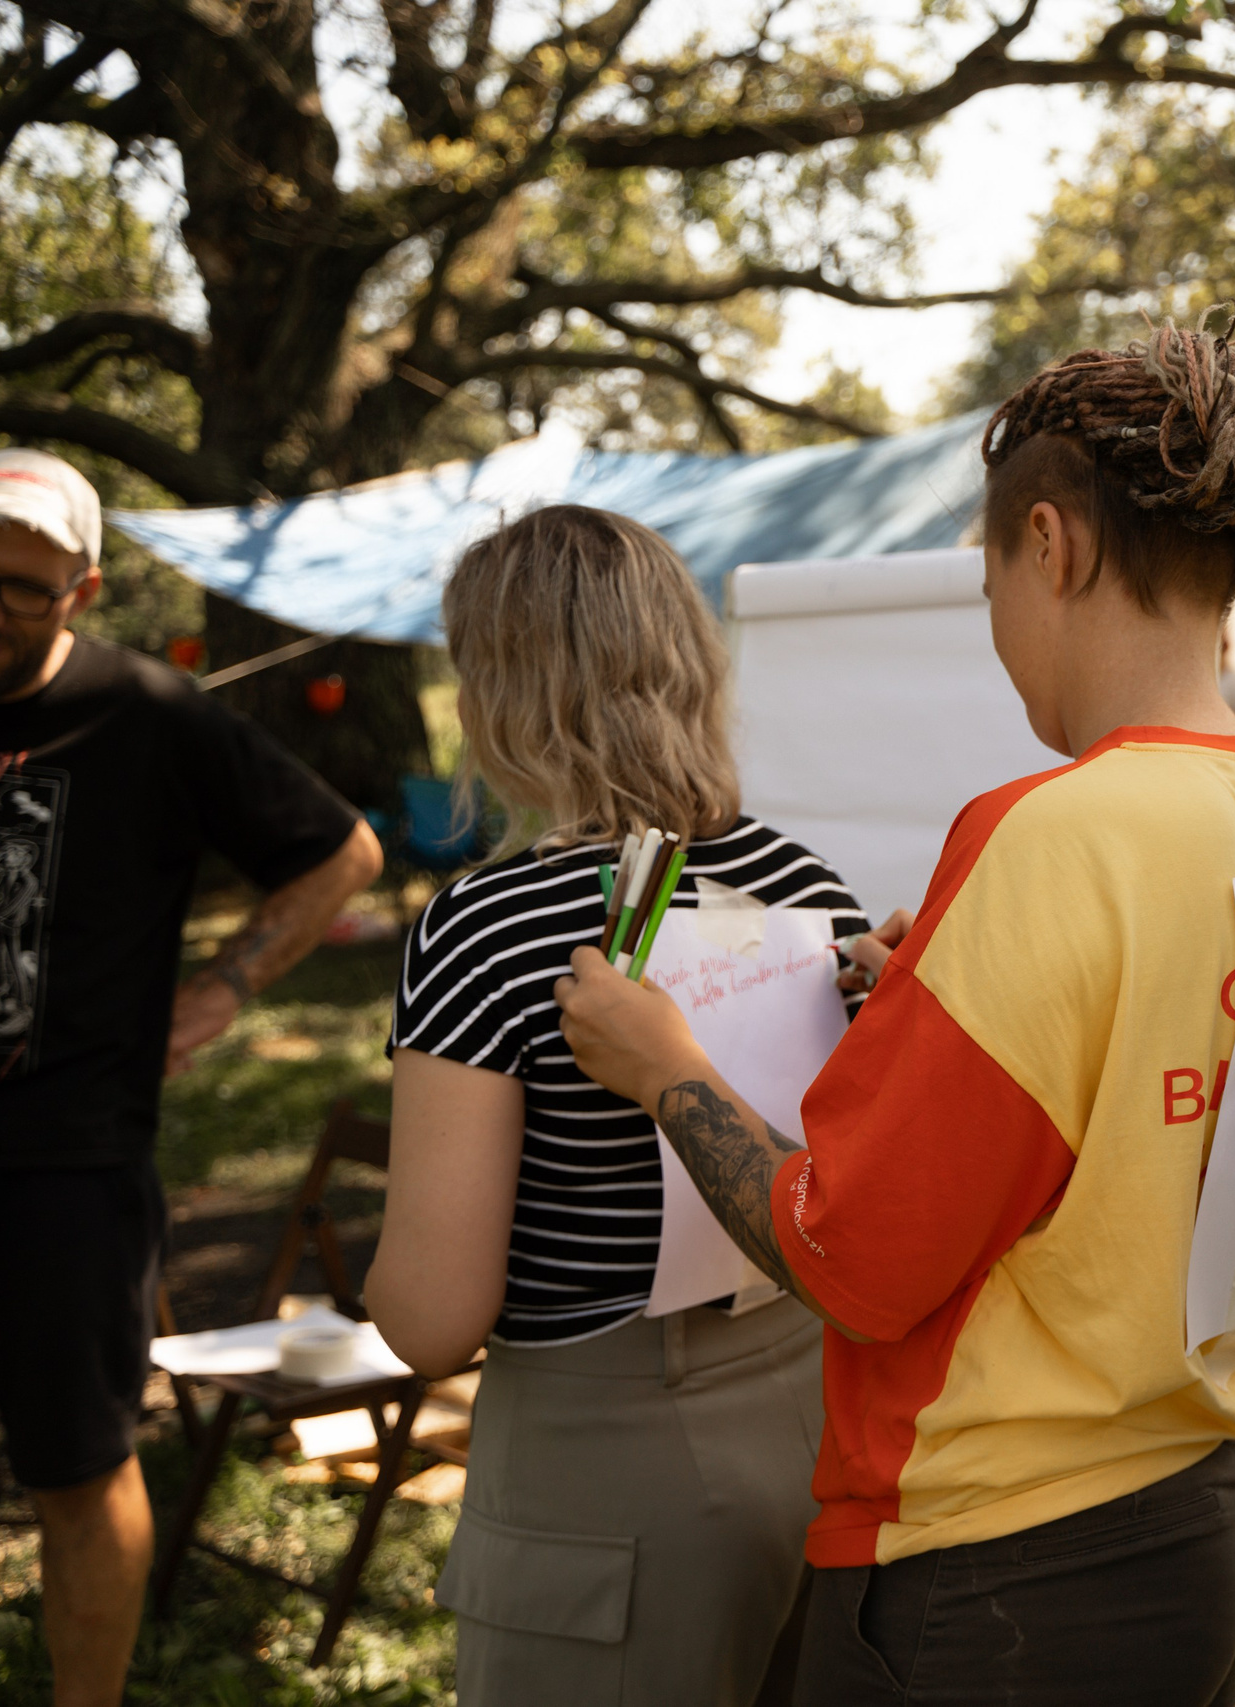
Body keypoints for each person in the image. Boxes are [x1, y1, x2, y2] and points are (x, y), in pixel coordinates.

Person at [550, 320, 1235, 1705]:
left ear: (1052, 545)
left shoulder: (1049, 830)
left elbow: (851, 1253)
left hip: (1010, 1558)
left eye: (989, 580)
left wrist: (667, 1071)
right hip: (1214, 1475)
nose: (996, 631)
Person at [365, 507, 868, 1706]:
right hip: (815, 1417)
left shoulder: (486, 927)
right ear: (691, 666)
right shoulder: (809, 884)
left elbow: (434, 1317)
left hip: (606, 1464)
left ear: (501, 692)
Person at [0, 448, 381, 1707]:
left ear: (84, 591)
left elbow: (344, 852)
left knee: (77, 1468)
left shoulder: (151, 716)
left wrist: (225, 988)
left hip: (66, 1166)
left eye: (21, 589)